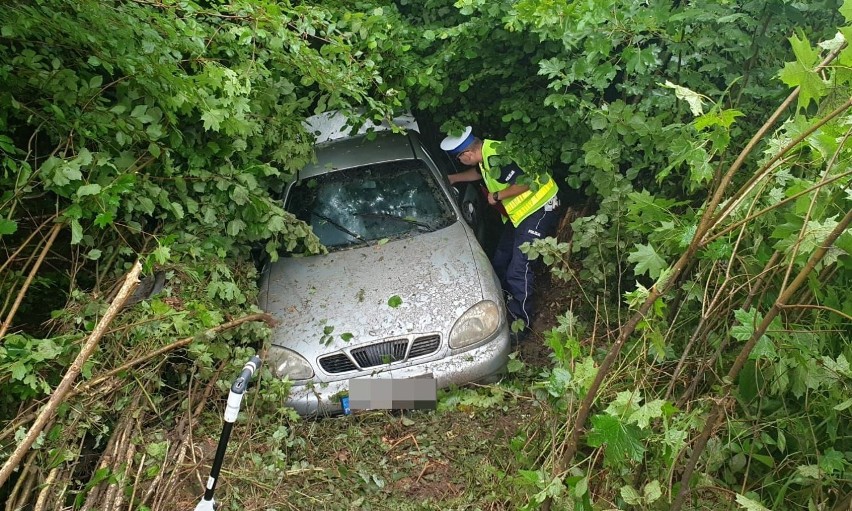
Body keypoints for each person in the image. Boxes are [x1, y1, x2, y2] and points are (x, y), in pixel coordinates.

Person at [441, 126, 560, 341]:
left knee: (519, 269)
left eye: (460, 158)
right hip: (519, 216)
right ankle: (502, 305)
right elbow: (479, 173)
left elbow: (526, 182)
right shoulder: (486, 154)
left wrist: (497, 194)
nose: (461, 162)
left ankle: (520, 326)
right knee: (501, 260)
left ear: (467, 154)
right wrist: (455, 178)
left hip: (539, 209)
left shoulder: (496, 156)